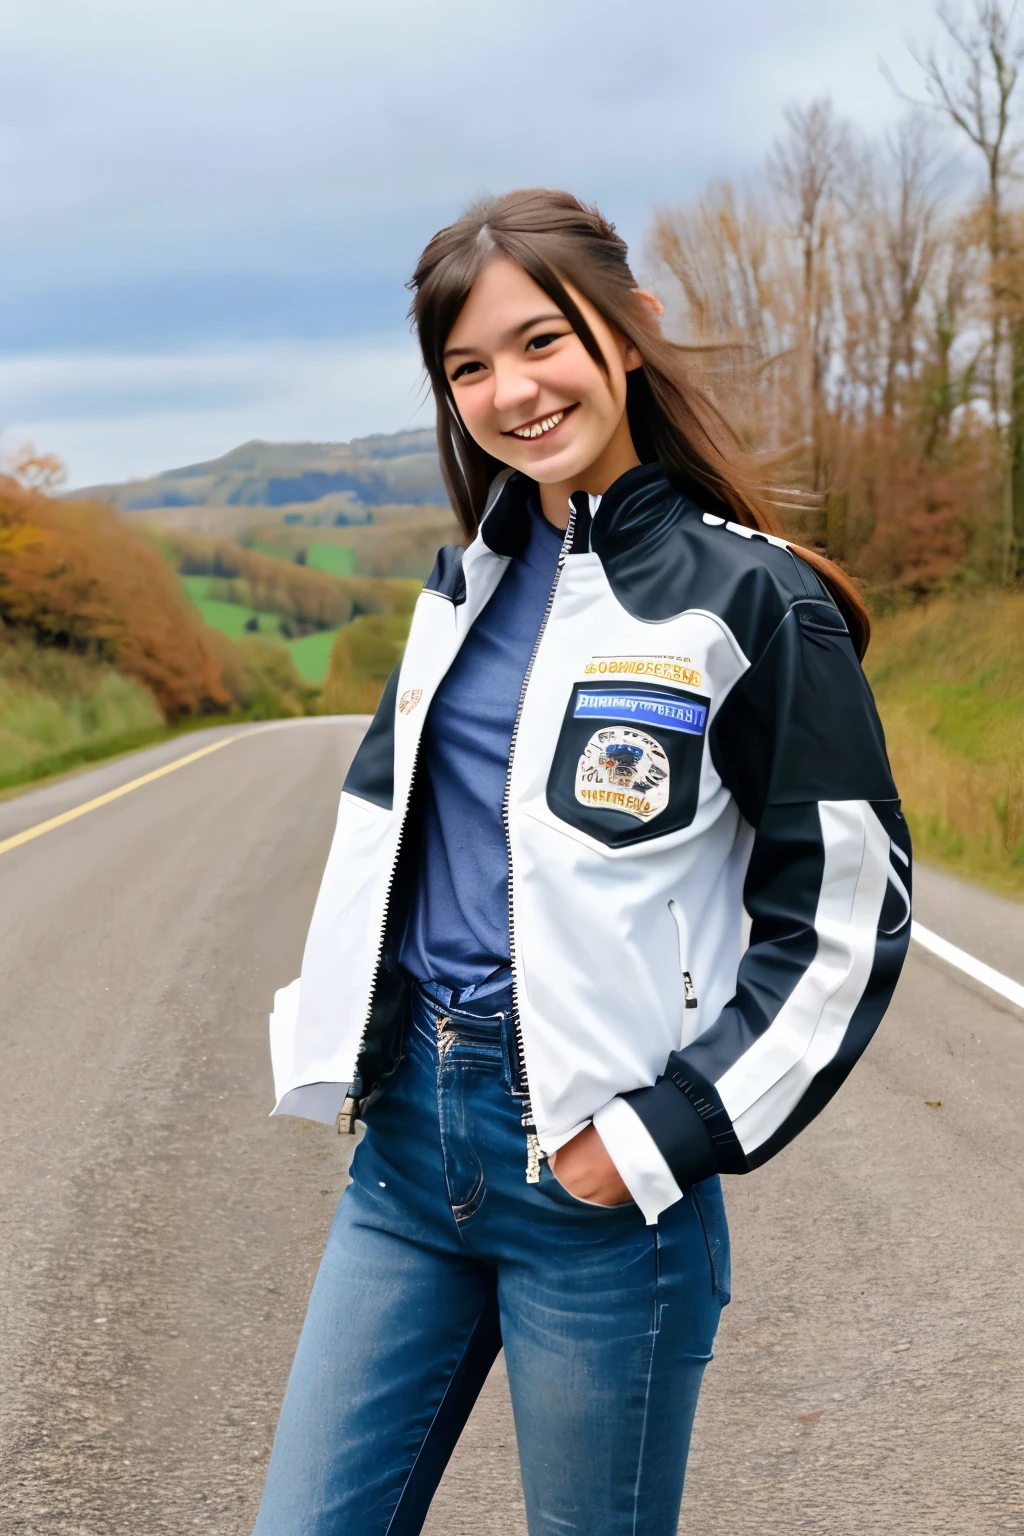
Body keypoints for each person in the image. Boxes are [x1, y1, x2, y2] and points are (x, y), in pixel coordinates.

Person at [254, 188, 913, 1536]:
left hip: (600, 1199)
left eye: (539, 341)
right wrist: (357, 1049)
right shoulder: (462, 592)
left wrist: (657, 1135)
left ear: (630, 332)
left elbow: (847, 918)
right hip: (407, 1167)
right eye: (468, 367)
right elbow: (392, 856)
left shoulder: (753, 602)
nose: (510, 390)